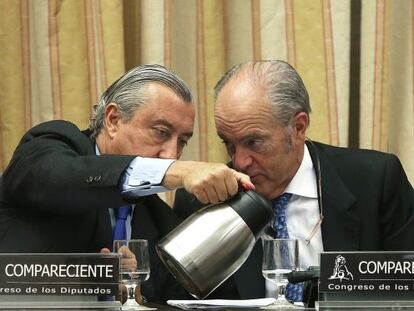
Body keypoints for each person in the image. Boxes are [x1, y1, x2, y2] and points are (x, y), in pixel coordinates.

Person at [0, 64, 254, 300]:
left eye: (182, 142)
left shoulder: (160, 221)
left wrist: (137, 298)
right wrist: (178, 172)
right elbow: (54, 178)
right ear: (112, 120)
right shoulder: (55, 145)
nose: (171, 154)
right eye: (161, 132)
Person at [173, 60, 414, 302]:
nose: (240, 162)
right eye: (229, 144)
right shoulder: (204, 200)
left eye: (253, 142)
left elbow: (407, 285)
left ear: (298, 127)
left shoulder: (375, 181)